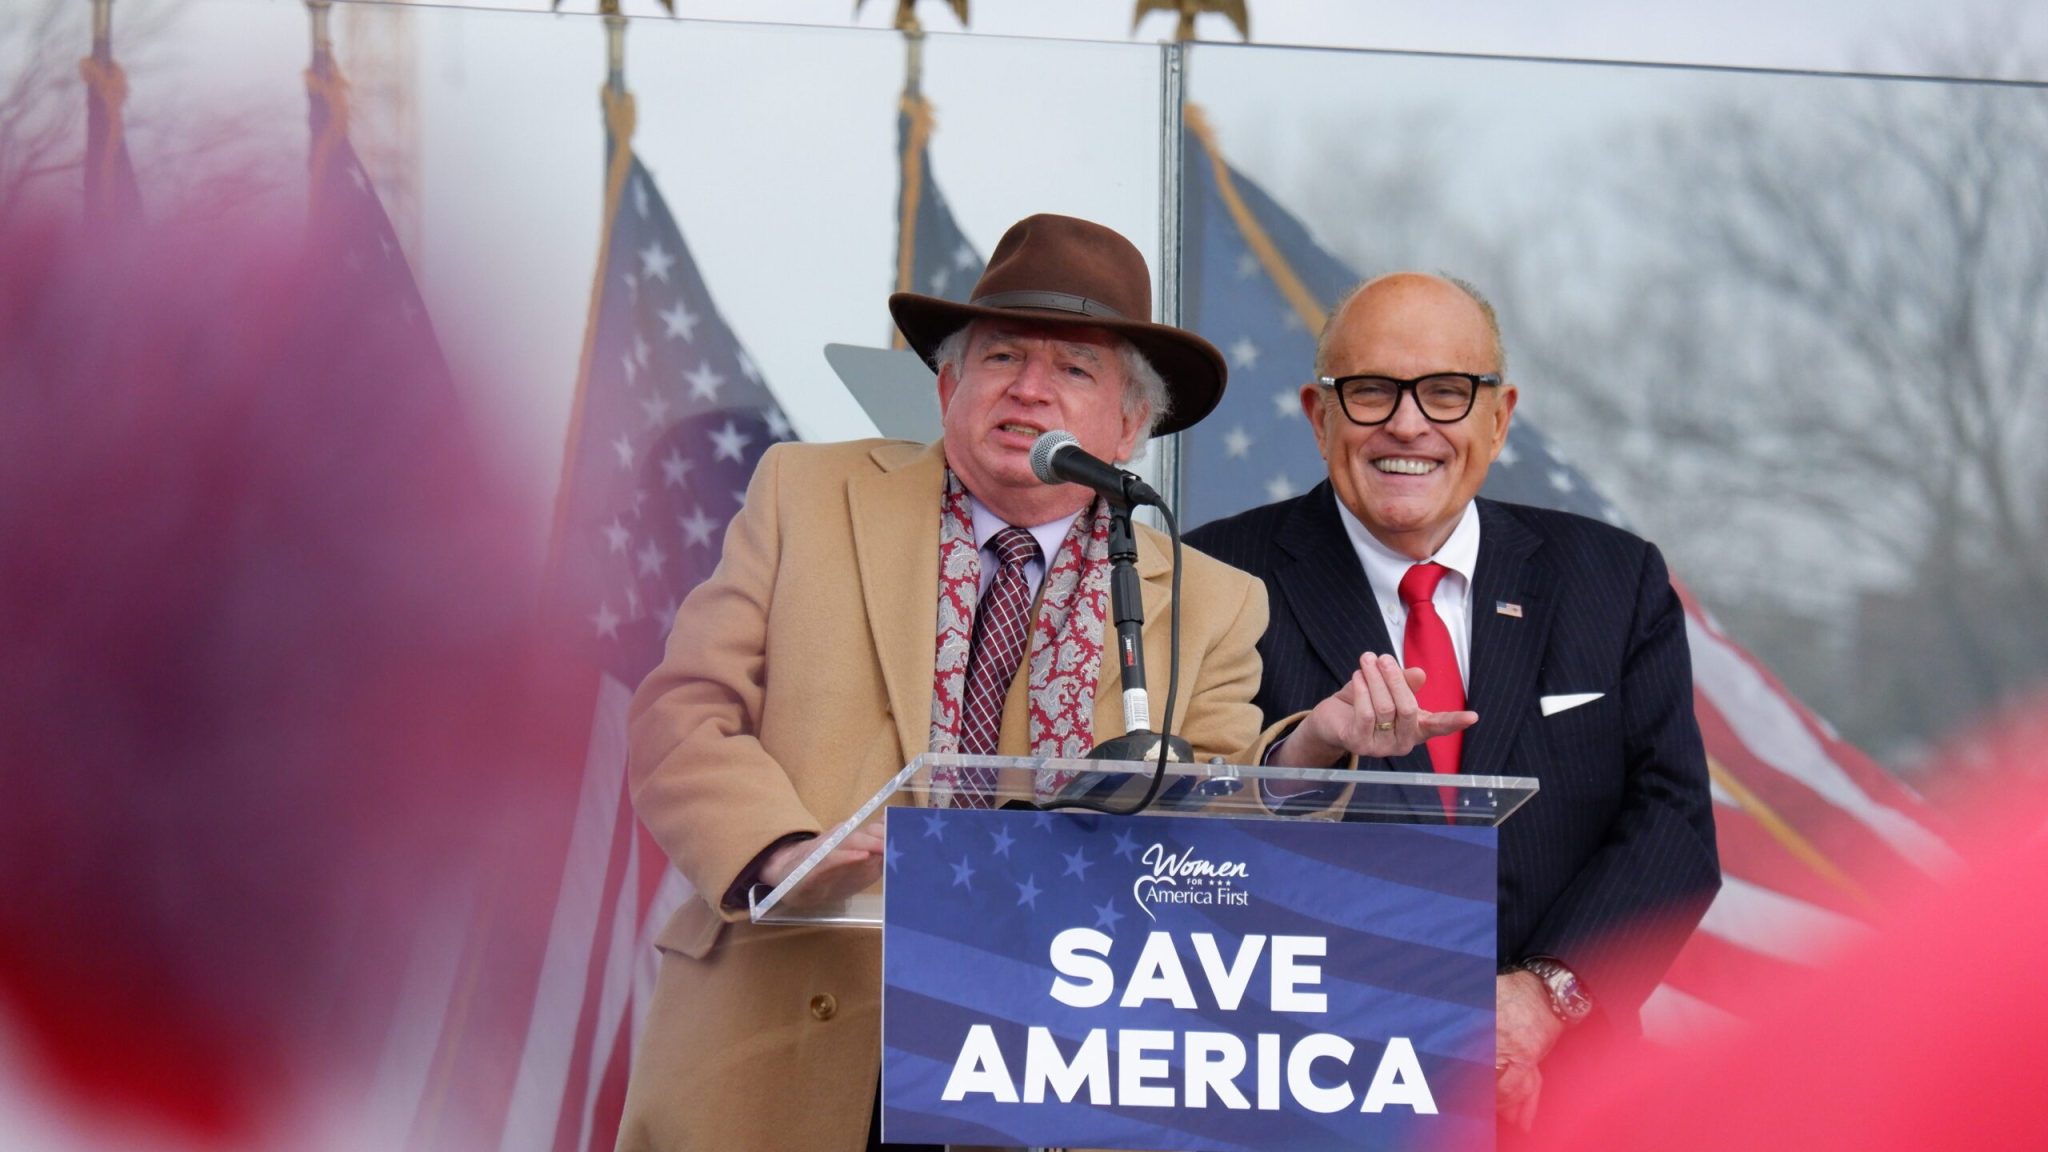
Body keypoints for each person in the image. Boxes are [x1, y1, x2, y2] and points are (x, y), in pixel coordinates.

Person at [615, 213, 1276, 1152]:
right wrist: (783, 849)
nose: (1029, 389)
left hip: (1047, 1060)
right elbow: (683, 714)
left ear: (1132, 426)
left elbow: (1212, 826)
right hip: (791, 1039)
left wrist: (1313, 752)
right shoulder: (803, 494)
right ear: (947, 386)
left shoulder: (1213, 601)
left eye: (1074, 369)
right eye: (1002, 356)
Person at [1185, 272, 1721, 1133]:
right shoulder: (1211, 579)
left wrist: (1538, 1002)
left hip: (1563, 1102)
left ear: (1499, 418)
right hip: (1299, 1096)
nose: (1408, 425)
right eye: (1371, 391)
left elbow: (1673, 825)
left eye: (1446, 392)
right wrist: (1303, 754)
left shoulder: (1614, 580)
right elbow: (1178, 841)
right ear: (1319, 417)